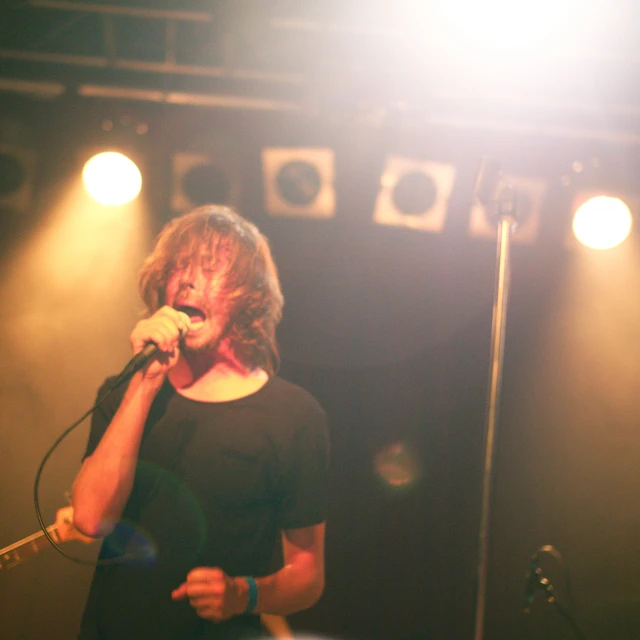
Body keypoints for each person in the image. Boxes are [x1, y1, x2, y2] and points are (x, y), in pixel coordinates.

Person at [71, 206, 329, 640]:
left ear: (248, 295)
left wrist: (244, 594)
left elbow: (308, 575)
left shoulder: (294, 417)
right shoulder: (126, 391)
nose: (187, 280)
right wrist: (145, 383)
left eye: (210, 268)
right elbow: (91, 518)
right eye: (178, 267)